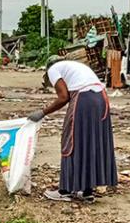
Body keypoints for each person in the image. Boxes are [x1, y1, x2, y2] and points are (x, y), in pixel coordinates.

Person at [28, 58, 117, 203]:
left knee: (71, 140)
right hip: (101, 99)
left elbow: (63, 97)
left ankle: (66, 190)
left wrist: (43, 112)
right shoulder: (74, 67)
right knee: (91, 142)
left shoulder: (53, 69)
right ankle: (87, 191)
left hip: (84, 99)